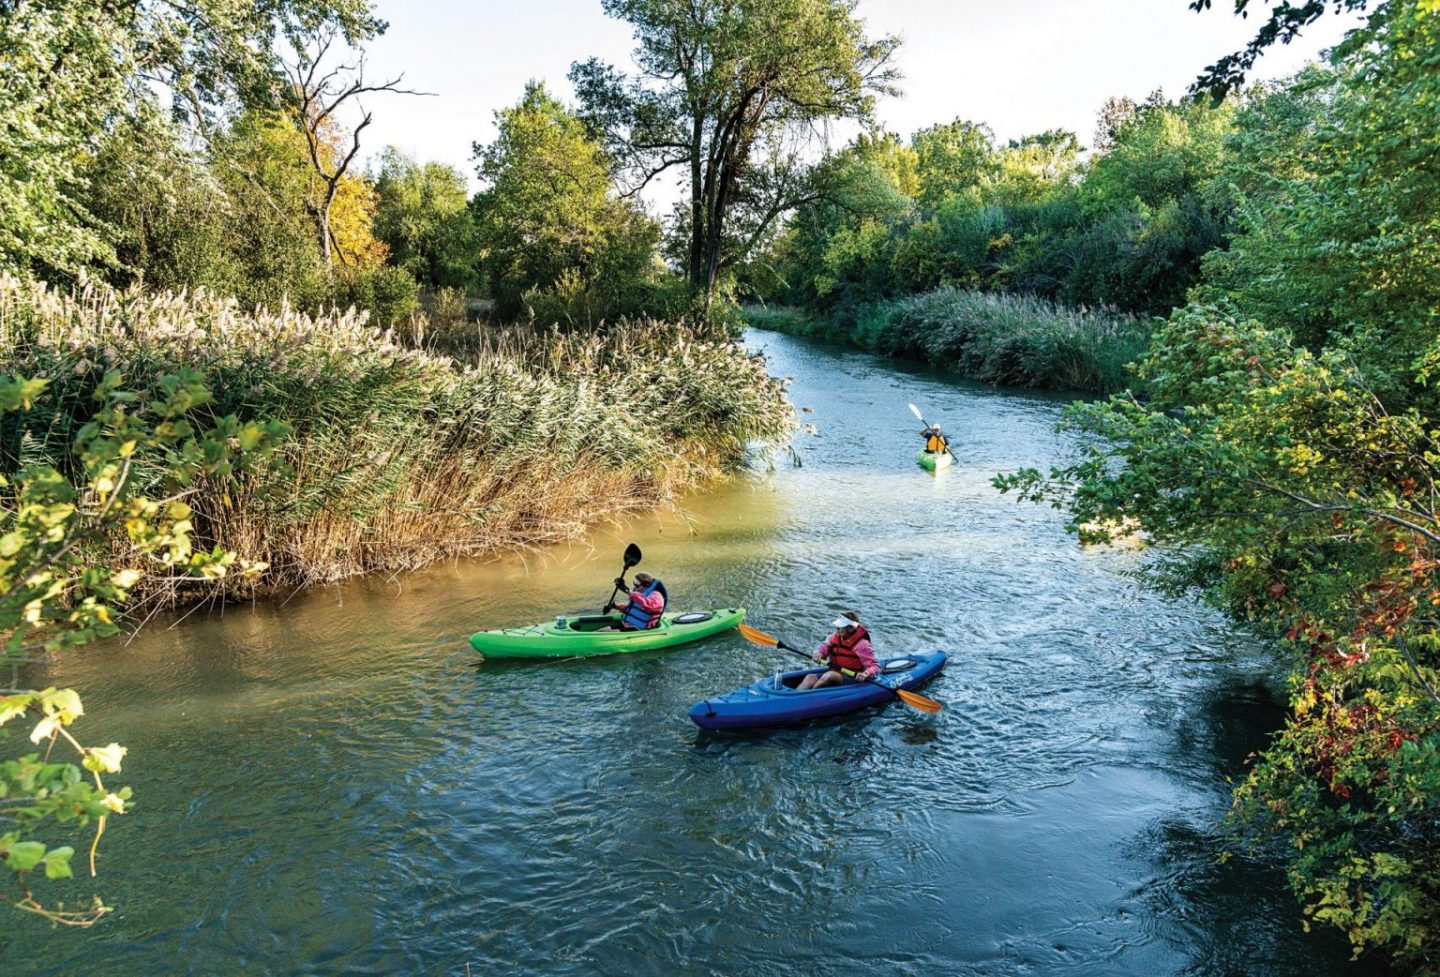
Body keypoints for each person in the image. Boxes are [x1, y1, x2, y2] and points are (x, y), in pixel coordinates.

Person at [798, 611, 880, 690]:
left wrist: (866, 673)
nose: (837, 629)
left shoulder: (862, 645)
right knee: (810, 677)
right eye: (837, 627)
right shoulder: (833, 637)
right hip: (833, 672)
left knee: (830, 675)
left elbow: (875, 666)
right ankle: (797, 694)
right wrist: (819, 654)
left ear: (850, 629)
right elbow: (824, 648)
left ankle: (811, 696)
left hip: (852, 677)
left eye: (840, 627)